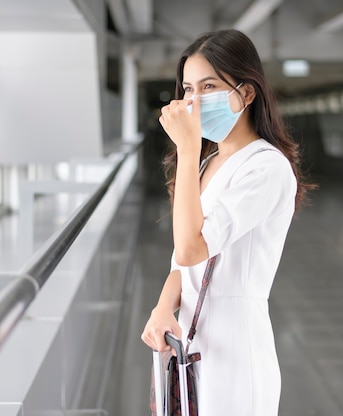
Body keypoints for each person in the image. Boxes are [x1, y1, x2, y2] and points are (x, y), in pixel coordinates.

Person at [141, 29, 315, 415]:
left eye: (209, 86)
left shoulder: (267, 167)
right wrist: (162, 307)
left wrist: (186, 148)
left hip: (235, 351)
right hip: (190, 342)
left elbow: (191, 248)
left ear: (247, 92)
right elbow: (180, 263)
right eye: (188, 89)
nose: (195, 101)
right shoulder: (207, 162)